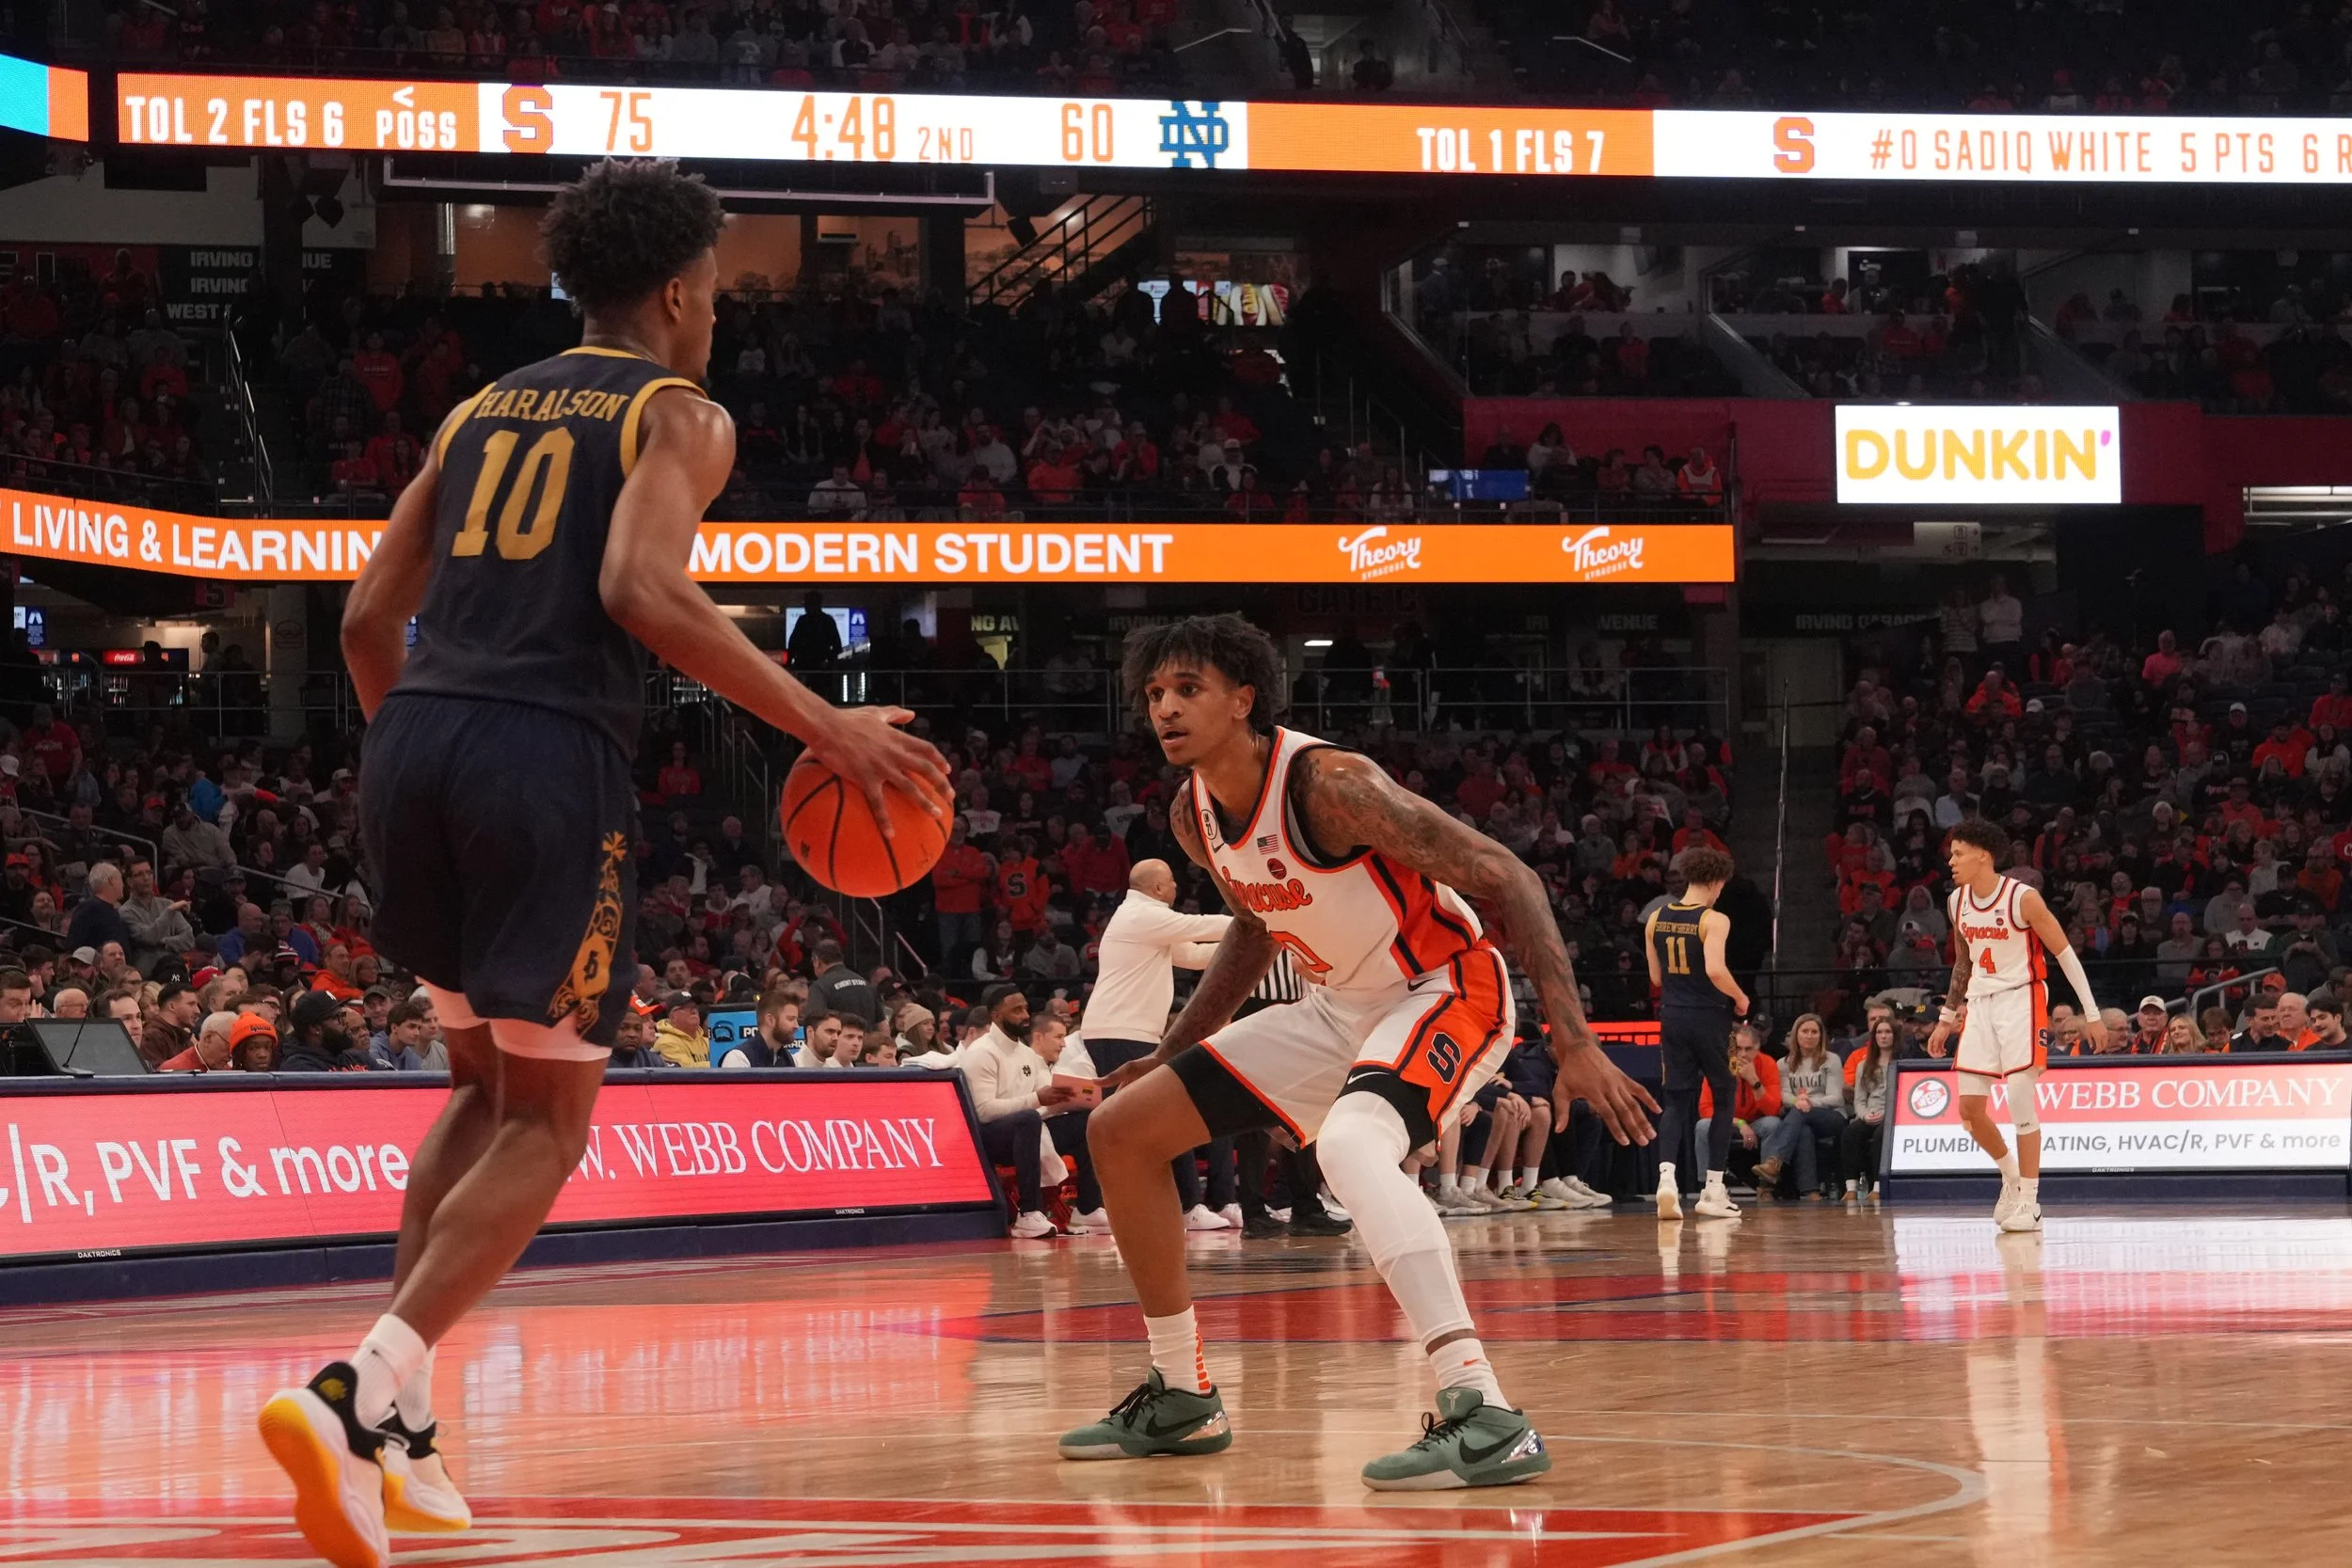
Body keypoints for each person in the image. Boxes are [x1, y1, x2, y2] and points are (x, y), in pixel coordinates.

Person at [261, 158, 948, 1568]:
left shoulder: (473, 407)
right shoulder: (679, 411)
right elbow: (642, 589)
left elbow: (361, 618)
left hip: (416, 740)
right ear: (684, 289)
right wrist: (829, 726)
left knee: (476, 1082)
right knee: (553, 1120)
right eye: (723, 292)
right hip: (542, 750)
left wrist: (434, 748)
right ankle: (354, 1384)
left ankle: (402, 1426)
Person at [1058, 614, 1653, 1489]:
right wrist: (1172, 1048)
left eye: (1187, 689)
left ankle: (1482, 1409)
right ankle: (1182, 1394)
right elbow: (1259, 926)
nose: (1165, 709)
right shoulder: (1194, 815)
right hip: (1336, 1002)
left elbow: (1509, 876)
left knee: (1347, 1146)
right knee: (1121, 1129)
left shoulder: (1334, 786)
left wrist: (1575, 1040)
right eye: (1154, 694)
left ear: (1245, 698)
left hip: (1444, 983)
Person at [1925, 819, 2105, 1234]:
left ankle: (2030, 1200)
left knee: (2020, 1098)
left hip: (2023, 998)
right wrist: (1945, 1019)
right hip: (1980, 1005)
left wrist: (2091, 1013)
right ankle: (2010, 1175)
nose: (1950, 861)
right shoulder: (1956, 902)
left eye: (1958, 853)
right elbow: (1963, 962)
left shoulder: (2022, 899)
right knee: (1969, 1111)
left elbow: (2064, 954)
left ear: (1983, 856)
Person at [1080, 858, 1233, 1231]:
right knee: (1147, 1117)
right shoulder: (1140, 915)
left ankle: (1180, 1206)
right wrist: (1260, 921)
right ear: (1158, 888)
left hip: (1130, 1031)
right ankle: (1097, 1206)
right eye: (1171, 882)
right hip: (1120, 1030)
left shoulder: (1147, 920)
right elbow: (1198, 926)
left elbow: (1193, 954)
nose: (1177, 887)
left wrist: (1253, 947)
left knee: (1150, 1118)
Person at [1641, 848, 1748, 1219]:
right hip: (1710, 1017)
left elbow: (1656, 978)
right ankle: (1713, 1191)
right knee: (1723, 1097)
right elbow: (1716, 970)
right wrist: (1741, 996)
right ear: (1716, 882)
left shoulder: (1655, 918)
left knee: (1676, 1101)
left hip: (1672, 1016)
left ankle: (1666, 1180)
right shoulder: (1714, 920)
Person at [965, 983, 1096, 1236]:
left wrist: (1071, 1099)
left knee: (1086, 1120)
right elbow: (983, 1111)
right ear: (996, 1016)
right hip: (990, 1138)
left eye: (1025, 1009)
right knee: (1027, 1119)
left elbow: (1043, 1102)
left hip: (1030, 1128)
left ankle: (1088, 1209)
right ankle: (1029, 1213)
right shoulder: (982, 1052)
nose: (1025, 1016)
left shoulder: (1028, 1054)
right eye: (1016, 1010)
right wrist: (1038, 1099)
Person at [1754, 1013, 1847, 1199]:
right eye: (1805, 1031)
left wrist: (1809, 1103)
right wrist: (1798, 1102)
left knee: (1799, 1114)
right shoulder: (1784, 1063)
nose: (1810, 1035)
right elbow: (1784, 1094)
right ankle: (1811, 1191)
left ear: (1821, 1036)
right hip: (1800, 1115)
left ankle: (1775, 1163)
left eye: (1814, 1032)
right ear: (1796, 1034)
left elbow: (1835, 1097)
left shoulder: (1831, 1059)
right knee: (1803, 1130)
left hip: (1831, 1116)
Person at [1841, 1016, 1899, 1201]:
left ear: (1895, 1035)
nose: (1883, 1036)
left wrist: (1887, 1115)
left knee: (1881, 1136)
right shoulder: (1863, 1065)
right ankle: (1850, 1187)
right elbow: (1859, 1099)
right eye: (1879, 1032)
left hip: (1893, 1116)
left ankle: (1878, 1187)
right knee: (1850, 1132)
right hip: (1870, 1114)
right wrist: (1865, 1115)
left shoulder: (1902, 1063)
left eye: (1888, 1032)